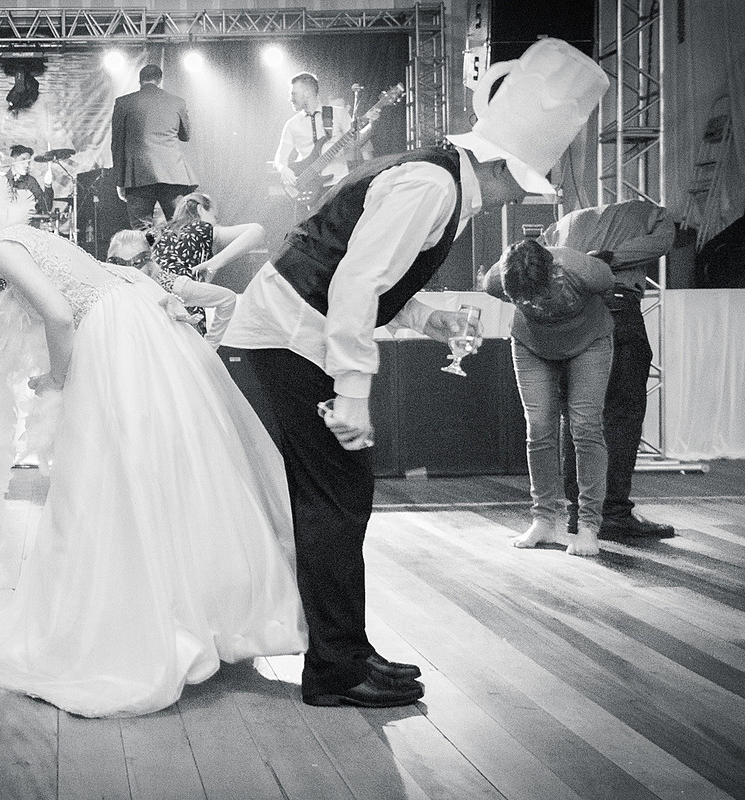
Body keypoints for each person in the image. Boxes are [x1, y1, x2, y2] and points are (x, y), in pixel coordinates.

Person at [222, 38, 609, 707]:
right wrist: (352, 390)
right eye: (525, 182)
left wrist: (435, 320)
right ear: (510, 171)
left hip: (291, 332)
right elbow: (355, 284)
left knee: (342, 498)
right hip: (291, 339)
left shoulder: (441, 180)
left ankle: (347, 653)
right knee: (336, 499)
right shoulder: (434, 187)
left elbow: (371, 274)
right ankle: (336, 669)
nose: (522, 194)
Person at [0, 185, 305, 718]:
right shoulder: (21, 236)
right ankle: (205, 614)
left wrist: (56, 377)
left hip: (111, 339)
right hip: (133, 325)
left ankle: (132, 630)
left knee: (105, 479)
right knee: (160, 469)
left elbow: (56, 313)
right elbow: (107, 273)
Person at [542, 200, 677, 539]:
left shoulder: (566, 221)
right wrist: (608, 258)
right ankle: (612, 513)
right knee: (620, 413)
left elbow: (537, 257)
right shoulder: (650, 212)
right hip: (616, 307)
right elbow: (662, 242)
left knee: (573, 415)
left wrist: (574, 264)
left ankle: (578, 512)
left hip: (569, 314)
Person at [483, 240, 614, 556]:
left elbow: (608, 282)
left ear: (555, 272)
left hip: (589, 340)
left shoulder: (580, 269)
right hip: (532, 344)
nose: (533, 304)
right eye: (523, 299)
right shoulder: (496, 280)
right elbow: (494, 289)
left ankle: (588, 527)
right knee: (539, 429)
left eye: (537, 296)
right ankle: (543, 521)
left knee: (585, 429)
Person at [150, 191, 262, 334]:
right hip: (184, 304)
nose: (216, 222)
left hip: (155, 301)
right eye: (215, 217)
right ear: (200, 209)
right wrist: (215, 263)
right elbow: (257, 231)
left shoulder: (158, 233)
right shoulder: (201, 228)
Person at [106, 228, 237, 348]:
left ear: (149, 261)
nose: (130, 272)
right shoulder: (108, 290)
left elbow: (227, 299)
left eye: (137, 263)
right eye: (119, 264)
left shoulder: (172, 285)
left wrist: (210, 346)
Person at [111, 63, 198, 230]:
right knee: (179, 225)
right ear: (160, 80)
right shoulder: (178, 102)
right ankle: (174, 255)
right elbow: (186, 136)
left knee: (142, 227)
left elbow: (117, 145)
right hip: (173, 174)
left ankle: (151, 252)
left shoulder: (123, 103)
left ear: (140, 81)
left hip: (139, 176)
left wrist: (120, 180)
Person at [273, 72, 361, 208]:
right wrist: (283, 168)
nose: (290, 99)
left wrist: (372, 124)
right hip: (307, 187)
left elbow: (356, 142)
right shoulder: (292, 124)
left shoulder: (338, 113)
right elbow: (279, 157)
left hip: (337, 183)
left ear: (307, 92)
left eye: (293, 94)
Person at [6, 144, 54, 216]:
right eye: (23, 160)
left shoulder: (31, 181)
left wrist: (48, 186)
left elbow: (46, 208)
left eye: (28, 162)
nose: (27, 165)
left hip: (27, 225)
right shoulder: (2, 180)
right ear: (13, 160)